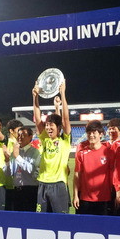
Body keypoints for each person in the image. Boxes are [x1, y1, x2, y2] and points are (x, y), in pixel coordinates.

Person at [33, 78, 71, 213]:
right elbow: (38, 119)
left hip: (58, 185)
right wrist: (35, 97)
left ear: (59, 127)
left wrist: (63, 94)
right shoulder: (45, 139)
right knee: (41, 219)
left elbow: (65, 118)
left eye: (51, 125)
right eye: (47, 125)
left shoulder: (64, 140)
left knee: (60, 220)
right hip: (43, 184)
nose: (48, 128)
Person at [73, 120, 115, 215]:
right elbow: (77, 175)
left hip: (104, 199)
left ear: (101, 134)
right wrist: (75, 195)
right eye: (89, 133)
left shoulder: (109, 152)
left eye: (94, 133)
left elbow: (114, 175)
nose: (91, 135)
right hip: (85, 199)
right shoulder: (82, 153)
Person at [3, 126, 41, 211]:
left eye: (23, 134)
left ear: (30, 137)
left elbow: (31, 169)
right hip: (16, 191)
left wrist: (17, 157)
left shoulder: (35, 152)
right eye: (19, 135)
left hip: (30, 191)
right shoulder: (15, 152)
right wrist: (7, 161)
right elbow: (8, 173)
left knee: (29, 216)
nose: (20, 137)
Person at [4, 119, 24, 210]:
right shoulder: (5, 144)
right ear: (11, 131)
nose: (20, 132)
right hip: (7, 185)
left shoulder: (22, 144)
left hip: (20, 185)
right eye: (18, 130)